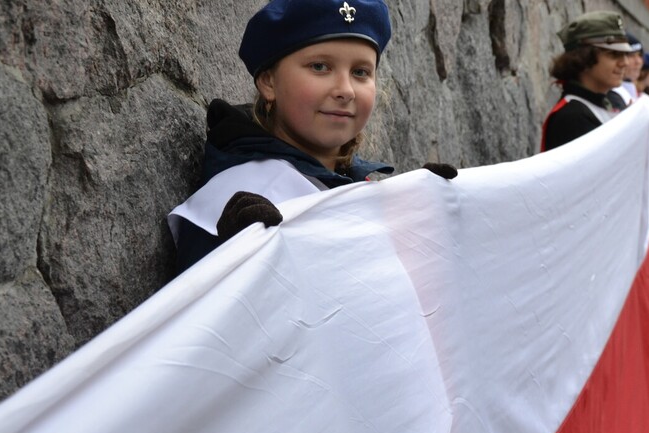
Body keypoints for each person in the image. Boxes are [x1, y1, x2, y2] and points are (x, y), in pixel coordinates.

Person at [168, 0, 455, 273]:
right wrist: (232, 260)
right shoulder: (230, 206)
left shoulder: (367, 190)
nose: (346, 89)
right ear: (269, 82)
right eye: (320, 67)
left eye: (360, 72)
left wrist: (429, 216)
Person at [541, 11, 639, 152]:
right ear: (584, 59)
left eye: (625, 54)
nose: (624, 63)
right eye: (614, 54)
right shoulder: (572, 117)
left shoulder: (614, 100)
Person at [612, 32, 643, 105]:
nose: (638, 61)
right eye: (631, 56)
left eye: (640, 55)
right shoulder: (612, 92)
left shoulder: (634, 90)